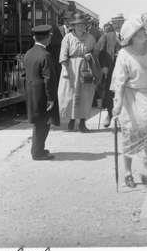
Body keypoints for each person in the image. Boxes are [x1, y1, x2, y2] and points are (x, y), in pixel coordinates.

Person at [111, 16, 147, 188]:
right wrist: (117, 105)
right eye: (139, 31)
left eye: (143, 30)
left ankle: (146, 173)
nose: (143, 33)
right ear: (131, 36)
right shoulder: (124, 54)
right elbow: (119, 83)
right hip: (131, 99)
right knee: (130, 136)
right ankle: (128, 173)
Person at [57, 12, 99, 132]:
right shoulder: (68, 38)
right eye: (78, 24)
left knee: (86, 94)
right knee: (70, 94)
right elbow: (63, 55)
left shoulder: (90, 38)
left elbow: (96, 53)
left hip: (86, 68)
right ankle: (71, 120)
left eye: (83, 24)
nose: (81, 27)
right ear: (73, 26)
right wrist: (65, 70)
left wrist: (90, 55)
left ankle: (82, 122)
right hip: (71, 69)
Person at [23, 25, 59, 160]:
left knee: (38, 122)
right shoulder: (46, 55)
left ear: (34, 37)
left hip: (32, 93)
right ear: (48, 38)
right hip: (43, 95)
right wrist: (51, 98)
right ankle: (37, 152)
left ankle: (38, 149)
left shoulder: (29, 53)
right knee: (43, 124)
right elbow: (48, 79)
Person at [95, 23, 120, 124]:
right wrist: (104, 66)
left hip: (124, 68)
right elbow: (99, 51)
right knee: (110, 91)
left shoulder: (126, 36)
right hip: (111, 68)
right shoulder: (105, 36)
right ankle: (109, 115)